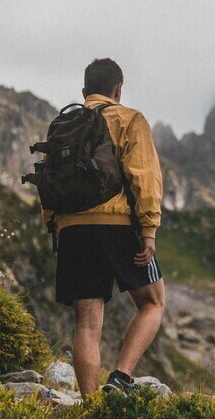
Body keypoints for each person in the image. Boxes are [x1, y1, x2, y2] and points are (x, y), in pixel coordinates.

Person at [43, 57, 165, 398]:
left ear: (85, 92)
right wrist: (148, 231)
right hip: (117, 225)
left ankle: (91, 406)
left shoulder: (63, 126)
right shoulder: (130, 119)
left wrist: (56, 227)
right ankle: (121, 378)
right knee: (153, 302)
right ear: (118, 89)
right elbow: (145, 178)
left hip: (72, 229)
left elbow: (48, 183)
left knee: (86, 324)